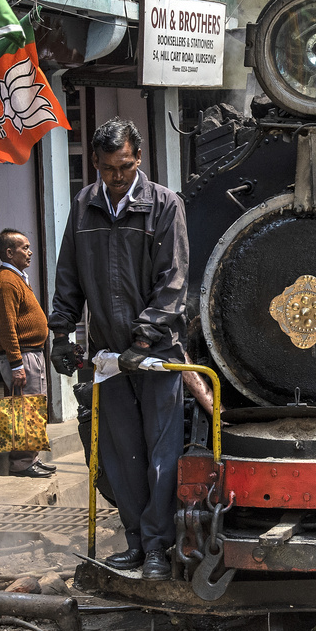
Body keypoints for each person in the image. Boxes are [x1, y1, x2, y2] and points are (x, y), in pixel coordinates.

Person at [48, 117, 188, 581]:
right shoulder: (84, 206)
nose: (117, 177)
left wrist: (145, 337)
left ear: (139, 159)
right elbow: (68, 276)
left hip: (156, 355)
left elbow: (174, 281)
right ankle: (135, 540)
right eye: (108, 168)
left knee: (160, 455)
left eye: (125, 167)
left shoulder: (165, 205)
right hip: (110, 357)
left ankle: (158, 547)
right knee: (120, 454)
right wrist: (62, 332)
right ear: (95, 163)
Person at [0, 230, 55, 478]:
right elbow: (7, 325)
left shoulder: (16, 278)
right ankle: (22, 463)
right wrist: (16, 363)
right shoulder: (6, 281)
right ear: (9, 252)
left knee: (33, 407)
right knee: (25, 408)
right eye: (24, 248)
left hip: (32, 353)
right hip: (22, 355)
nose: (29, 253)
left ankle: (31, 458)